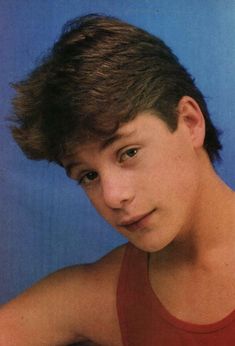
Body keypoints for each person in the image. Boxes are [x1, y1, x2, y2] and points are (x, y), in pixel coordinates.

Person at [1, 13, 235, 346]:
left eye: (127, 153)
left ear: (189, 121)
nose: (112, 196)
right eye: (88, 175)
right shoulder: (102, 295)